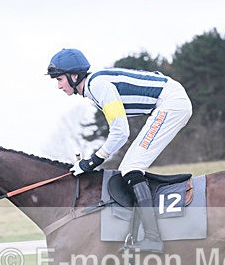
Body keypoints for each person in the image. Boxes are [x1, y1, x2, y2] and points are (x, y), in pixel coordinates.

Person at [46, 48, 192, 253]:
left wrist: (93, 161)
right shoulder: (94, 88)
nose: (59, 86)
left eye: (60, 79)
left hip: (171, 103)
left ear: (74, 76)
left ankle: (153, 237)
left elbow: (121, 132)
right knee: (128, 168)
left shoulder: (98, 85)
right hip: (167, 103)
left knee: (131, 168)